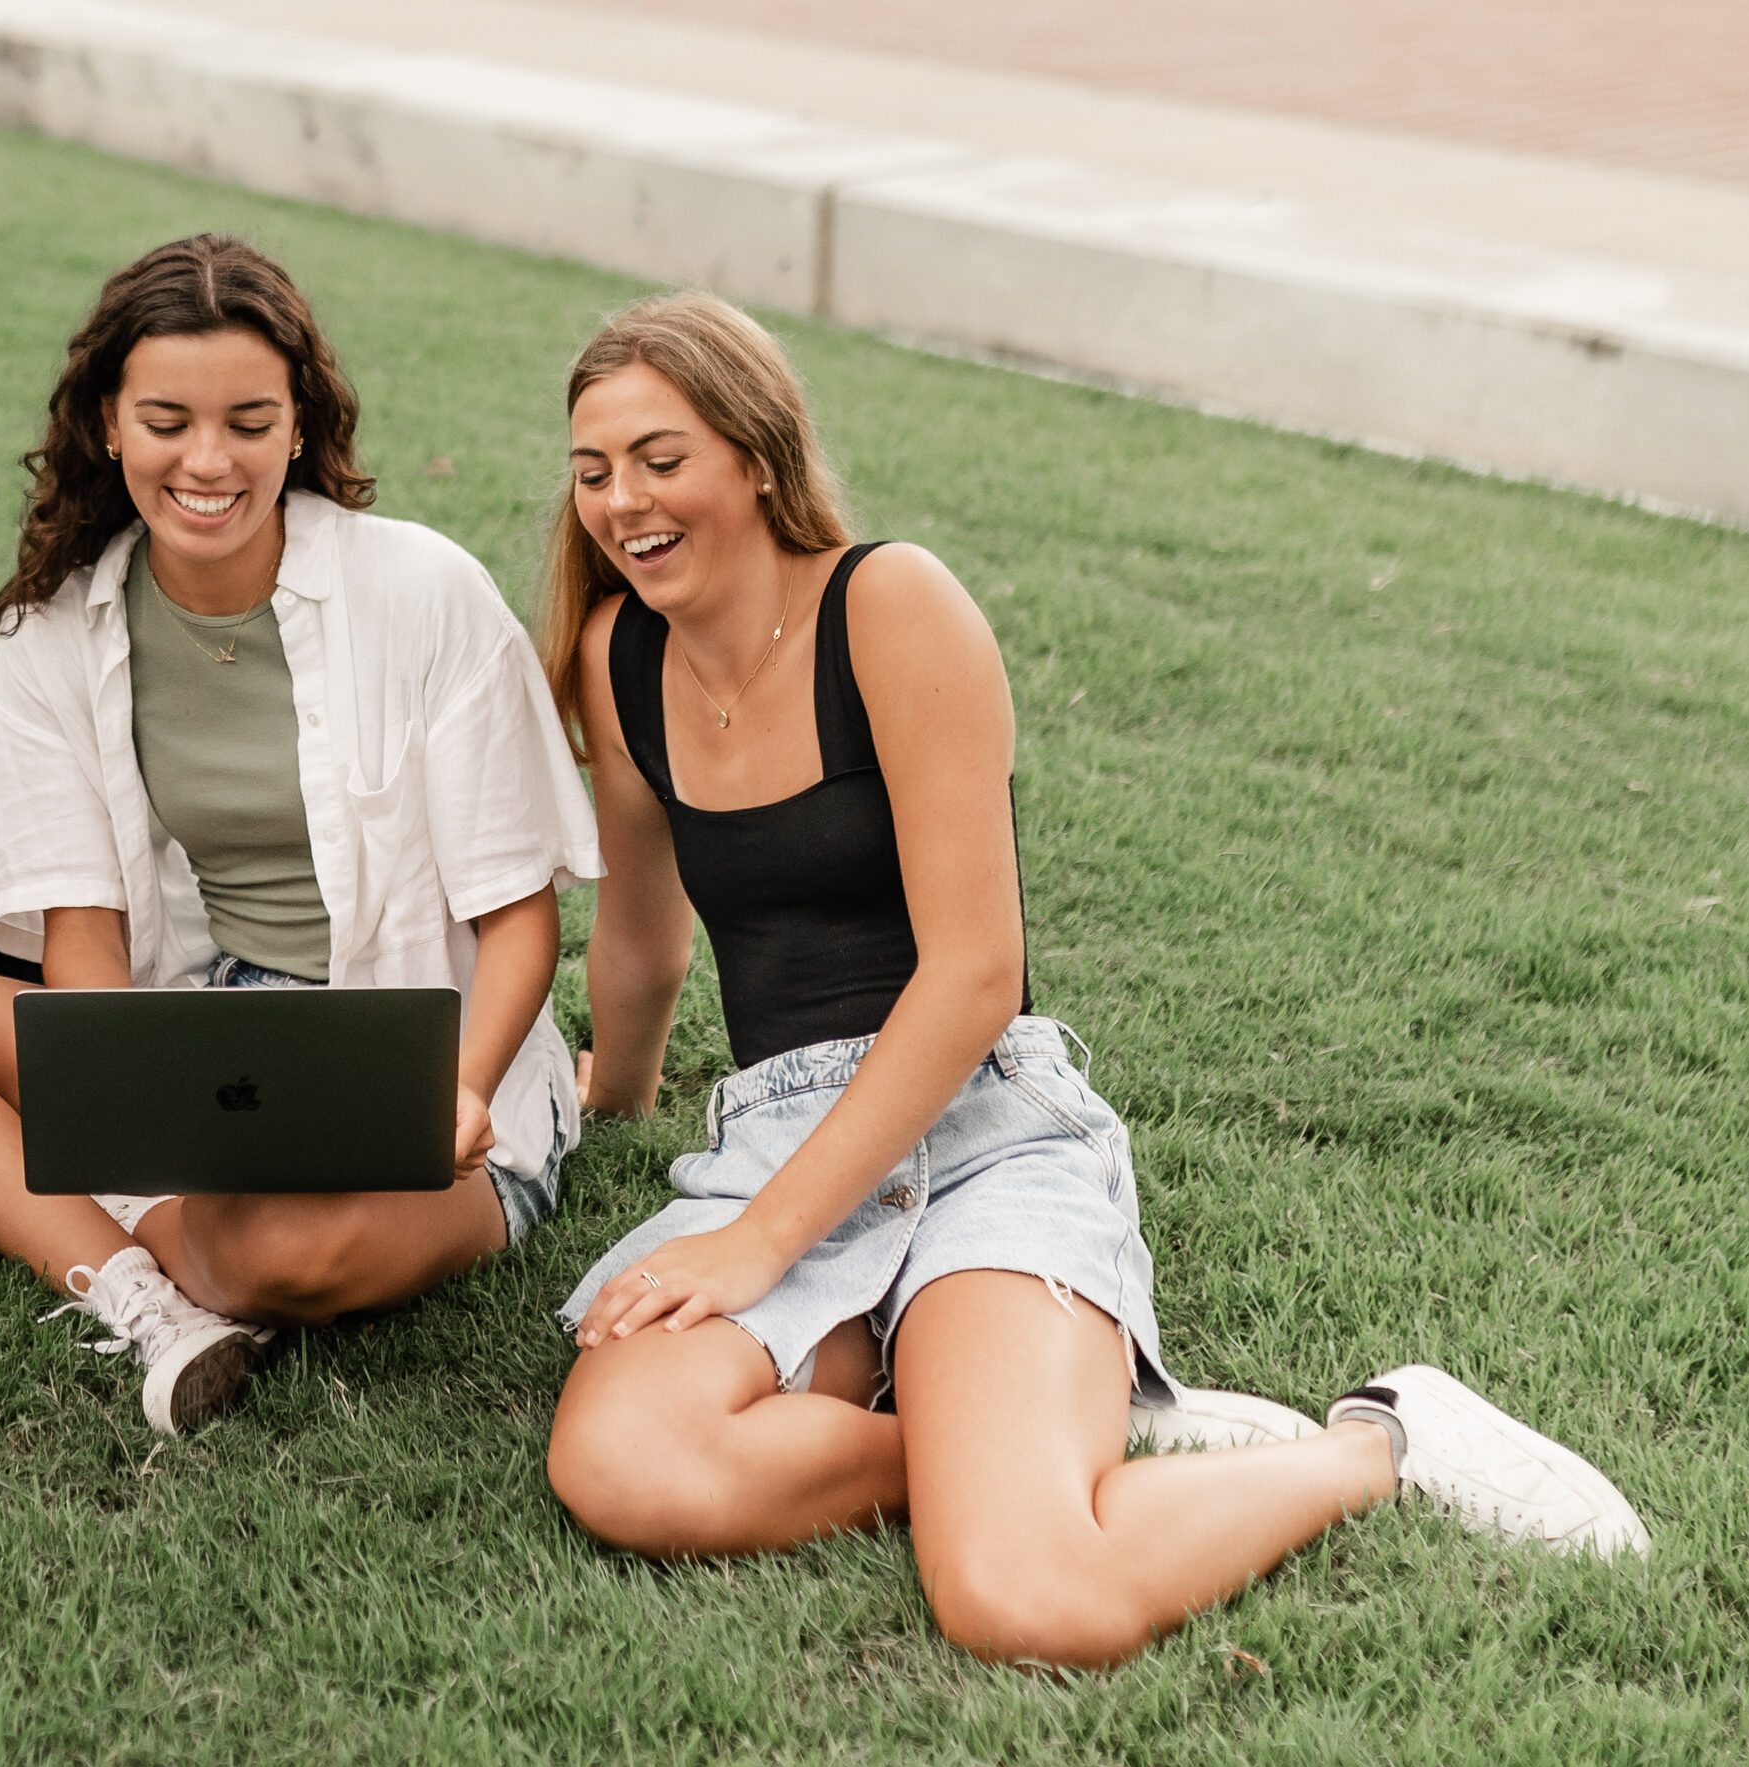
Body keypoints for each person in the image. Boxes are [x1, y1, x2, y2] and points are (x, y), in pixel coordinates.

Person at [540, 292, 1648, 1669]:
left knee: (1028, 1596)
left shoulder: (888, 605)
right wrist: (615, 1093)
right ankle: (1013, 1444)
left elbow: (974, 974)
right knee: (628, 1464)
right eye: (592, 472)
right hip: (776, 1127)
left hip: (978, 1123)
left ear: (756, 457)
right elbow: (645, 934)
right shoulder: (618, 656)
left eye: (661, 457)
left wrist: (759, 1241)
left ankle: (1390, 1436)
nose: (621, 502)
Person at [0, 234, 600, 1435]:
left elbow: (520, 920)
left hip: (420, 1055)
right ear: (108, 424)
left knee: (280, 1259)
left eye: (248, 423)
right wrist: (129, 1100)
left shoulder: (422, 592)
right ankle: (143, 1296)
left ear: (299, 428)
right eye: (167, 420)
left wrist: (459, 1089)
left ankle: (9, 1179)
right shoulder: (58, 627)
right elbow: (84, 933)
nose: (207, 461)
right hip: (206, 1028)